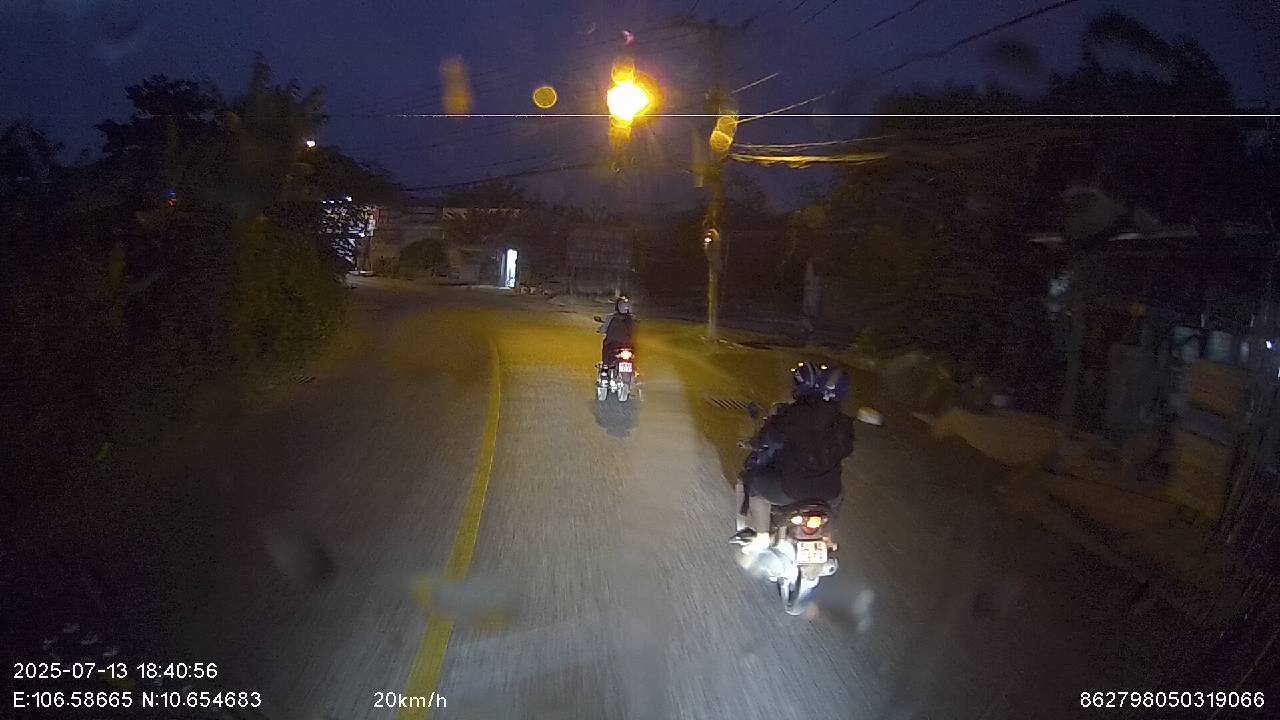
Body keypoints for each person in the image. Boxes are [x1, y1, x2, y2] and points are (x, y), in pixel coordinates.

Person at [730, 362, 854, 552]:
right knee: (839, 495)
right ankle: (828, 537)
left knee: (753, 483)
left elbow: (770, 437)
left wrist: (755, 443)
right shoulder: (844, 422)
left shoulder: (796, 414)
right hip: (829, 492)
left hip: (791, 490)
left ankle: (762, 535)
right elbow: (846, 450)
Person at [597, 295, 636, 366]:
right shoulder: (633, 319)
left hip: (613, 344)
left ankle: (605, 365)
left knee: (606, 346)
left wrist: (600, 330)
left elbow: (603, 329)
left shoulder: (611, 317)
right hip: (628, 345)